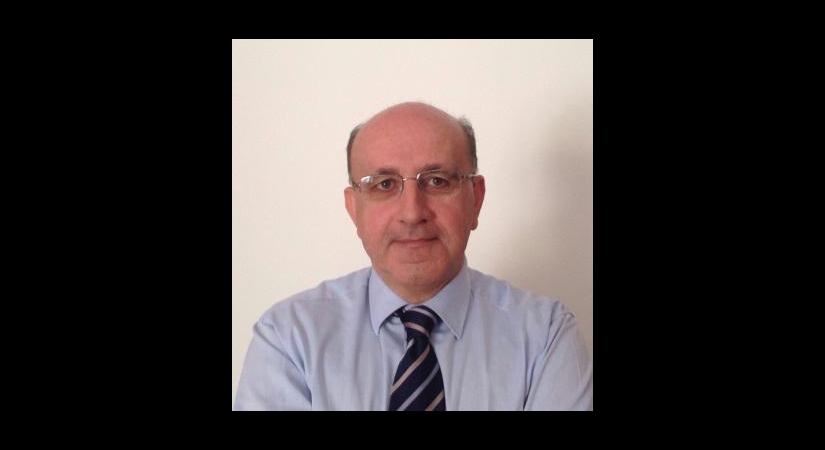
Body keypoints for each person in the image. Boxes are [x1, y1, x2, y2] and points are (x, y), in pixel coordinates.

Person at [234, 102, 592, 411]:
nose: (412, 213)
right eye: (384, 184)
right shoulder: (289, 338)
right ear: (354, 209)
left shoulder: (545, 337)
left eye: (437, 181)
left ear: (476, 199)